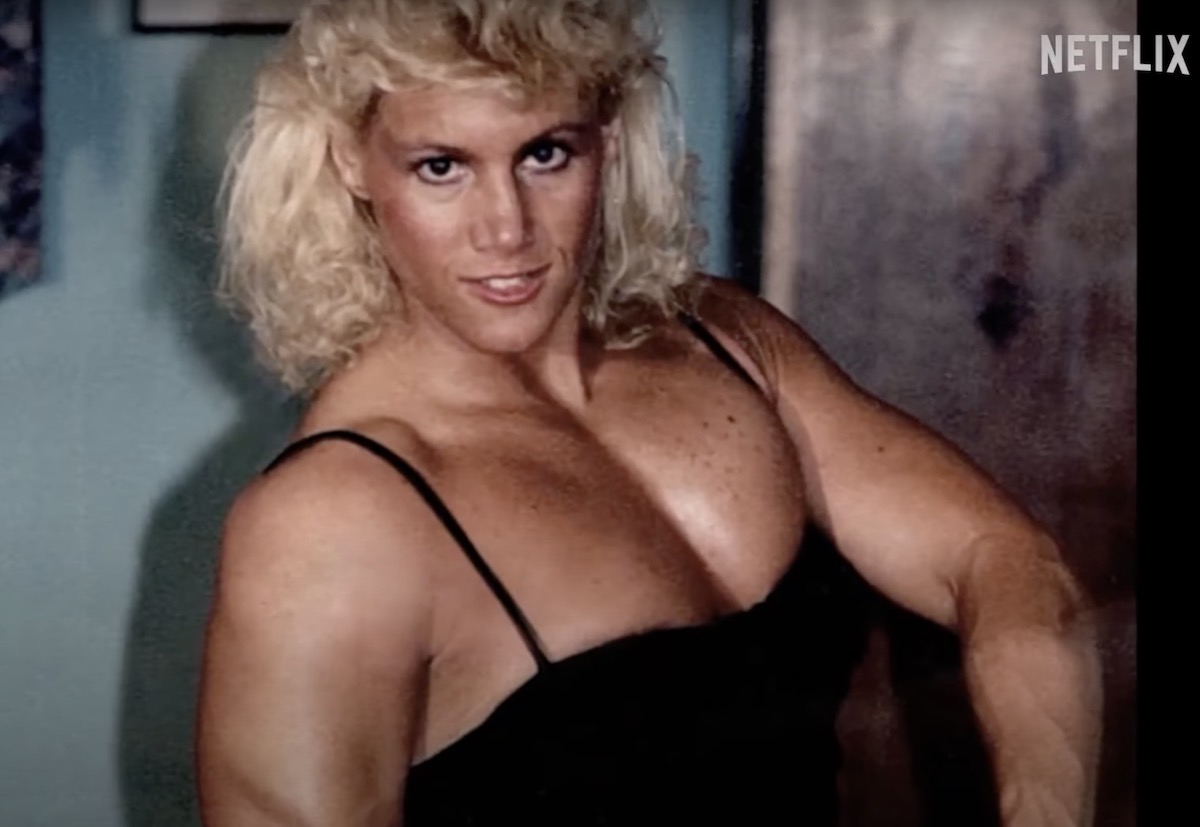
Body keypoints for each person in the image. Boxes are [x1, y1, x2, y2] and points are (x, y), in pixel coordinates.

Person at [195, 0, 1102, 824]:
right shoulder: (333, 521)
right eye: (442, 167)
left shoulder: (725, 340)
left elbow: (1003, 560)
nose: (506, 228)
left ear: (609, 137)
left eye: (546, 154)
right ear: (350, 161)